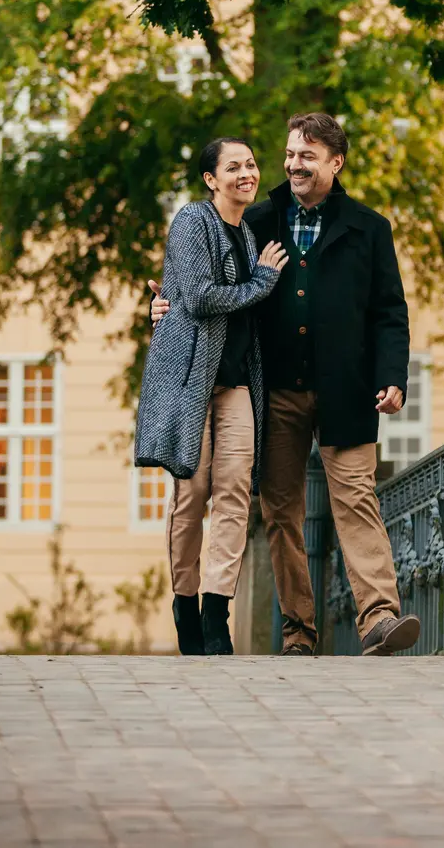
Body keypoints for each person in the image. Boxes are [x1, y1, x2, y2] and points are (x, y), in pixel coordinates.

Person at [152, 114, 420, 657]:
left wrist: (393, 378)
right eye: (291, 154)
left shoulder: (369, 228)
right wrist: (160, 307)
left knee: (356, 499)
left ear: (335, 163)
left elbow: (389, 312)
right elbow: (203, 281)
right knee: (281, 512)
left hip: (347, 390)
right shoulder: (259, 219)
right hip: (272, 391)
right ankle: (299, 631)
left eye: (308, 156)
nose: (295, 165)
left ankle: (379, 619)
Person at [136, 137, 288, 656]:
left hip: (239, 383)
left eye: (250, 164)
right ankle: (184, 600)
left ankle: (216, 614)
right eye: (233, 167)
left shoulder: (249, 234)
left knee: (234, 497)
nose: (246, 173)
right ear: (210, 179)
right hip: (192, 382)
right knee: (192, 495)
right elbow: (198, 297)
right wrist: (262, 282)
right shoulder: (191, 222)